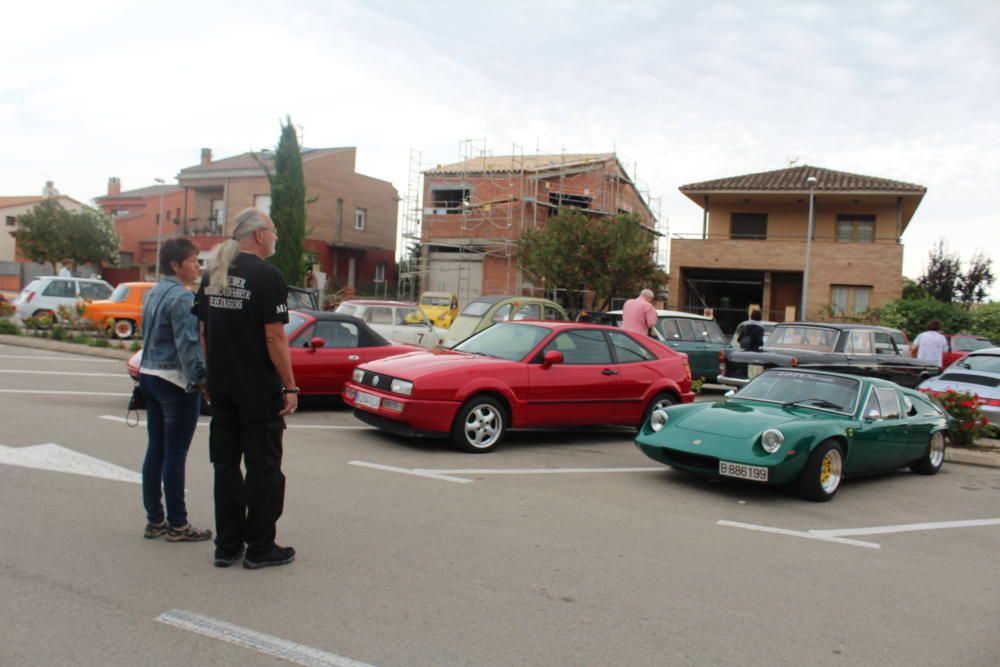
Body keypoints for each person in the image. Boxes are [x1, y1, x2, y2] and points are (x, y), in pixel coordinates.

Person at [196, 208, 298, 570]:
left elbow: (204, 332)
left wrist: (210, 375)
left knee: (225, 466)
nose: (274, 238)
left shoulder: (213, 271)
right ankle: (260, 547)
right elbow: (274, 336)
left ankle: (227, 545)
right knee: (263, 469)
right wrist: (290, 386)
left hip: (221, 389)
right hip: (257, 391)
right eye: (272, 232)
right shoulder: (268, 276)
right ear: (258, 235)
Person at [139, 238, 211, 543]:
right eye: (193, 260)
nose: (198, 266)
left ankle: (155, 520)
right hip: (175, 381)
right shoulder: (182, 298)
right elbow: (187, 344)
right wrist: (202, 381)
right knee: (174, 455)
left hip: (149, 375)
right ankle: (178, 524)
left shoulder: (154, 292)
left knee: (155, 450)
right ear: (175, 265)